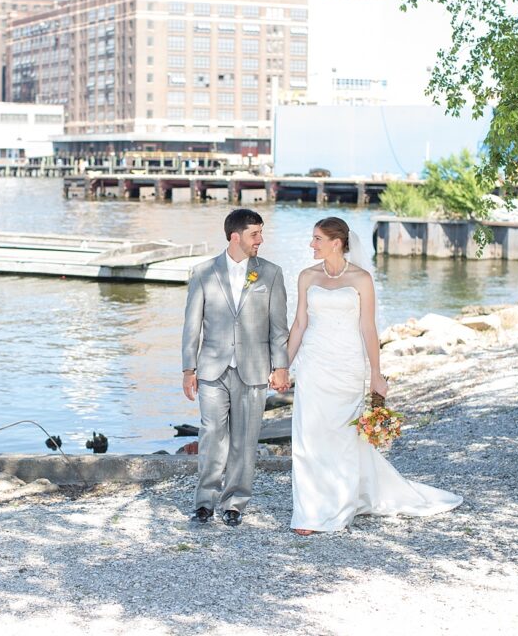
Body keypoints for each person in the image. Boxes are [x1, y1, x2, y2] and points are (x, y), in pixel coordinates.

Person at [287, 217, 462, 535]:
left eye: (316, 239)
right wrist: (284, 365)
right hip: (313, 364)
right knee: (307, 436)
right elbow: (299, 324)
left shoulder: (361, 279)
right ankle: (309, 511)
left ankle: (339, 507)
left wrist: (376, 375)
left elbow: (368, 328)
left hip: (348, 366)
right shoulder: (306, 277)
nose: (311, 244)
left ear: (335, 242)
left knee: (342, 438)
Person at [182, 209, 290, 527]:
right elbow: (192, 325)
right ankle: (204, 502)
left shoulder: (270, 273)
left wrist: (280, 366)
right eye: (255, 234)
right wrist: (188, 369)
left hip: (254, 368)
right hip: (212, 369)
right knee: (211, 434)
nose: (261, 239)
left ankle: (235, 503)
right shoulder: (202, 272)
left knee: (245, 439)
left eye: (261, 233)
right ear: (235, 237)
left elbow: (278, 326)